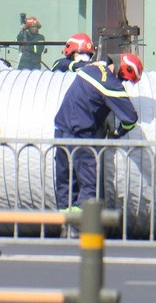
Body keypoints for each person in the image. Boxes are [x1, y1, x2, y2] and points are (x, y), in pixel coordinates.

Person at [53, 53, 143, 215]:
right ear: (123, 71)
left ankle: (65, 226)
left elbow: (64, 64)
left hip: (60, 130)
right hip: (82, 137)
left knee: (65, 181)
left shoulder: (92, 67)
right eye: (125, 79)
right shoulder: (111, 85)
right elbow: (130, 118)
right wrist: (117, 133)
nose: (123, 82)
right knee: (89, 184)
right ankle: (85, 228)